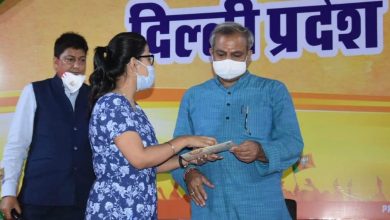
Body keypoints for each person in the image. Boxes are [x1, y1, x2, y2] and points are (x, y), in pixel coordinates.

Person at [171, 22, 304, 219]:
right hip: (209, 205)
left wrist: (261, 152)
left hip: (262, 207)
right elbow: (178, 150)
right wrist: (189, 173)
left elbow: (293, 145)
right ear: (211, 54)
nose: (227, 60)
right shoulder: (193, 96)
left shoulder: (272, 90)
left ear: (249, 55)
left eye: (236, 55)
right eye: (221, 54)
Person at [86, 32, 217, 220]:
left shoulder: (135, 109)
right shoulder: (111, 104)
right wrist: (184, 140)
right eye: (148, 58)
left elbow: (150, 164)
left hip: (140, 209)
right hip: (116, 209)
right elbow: (140, 158)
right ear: (133, 63)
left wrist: (188, 159)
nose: (151, 65)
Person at [0, 32, 95, 220]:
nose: (76, 66)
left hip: (81, 200)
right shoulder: (35, 91)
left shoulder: (95, 96)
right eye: (69, 59)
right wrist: (8, 191)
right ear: (56, 62)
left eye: (82, 60)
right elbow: (17, 144)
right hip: (39, 199)